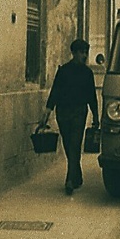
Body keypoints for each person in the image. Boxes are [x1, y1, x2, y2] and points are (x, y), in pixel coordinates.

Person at [40, 38, 99, 195]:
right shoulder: (64, 70)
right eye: (81, 52)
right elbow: (55, 91)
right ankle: (76, 174)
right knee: (68, 144)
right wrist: (48, 110)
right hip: (63, 112)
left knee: (75, 142)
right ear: (73, 53)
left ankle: (70, 180)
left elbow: (92, 96)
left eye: (86, 52)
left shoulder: (88, 73)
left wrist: (96, 117)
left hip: (79, 111)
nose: (84, 55)